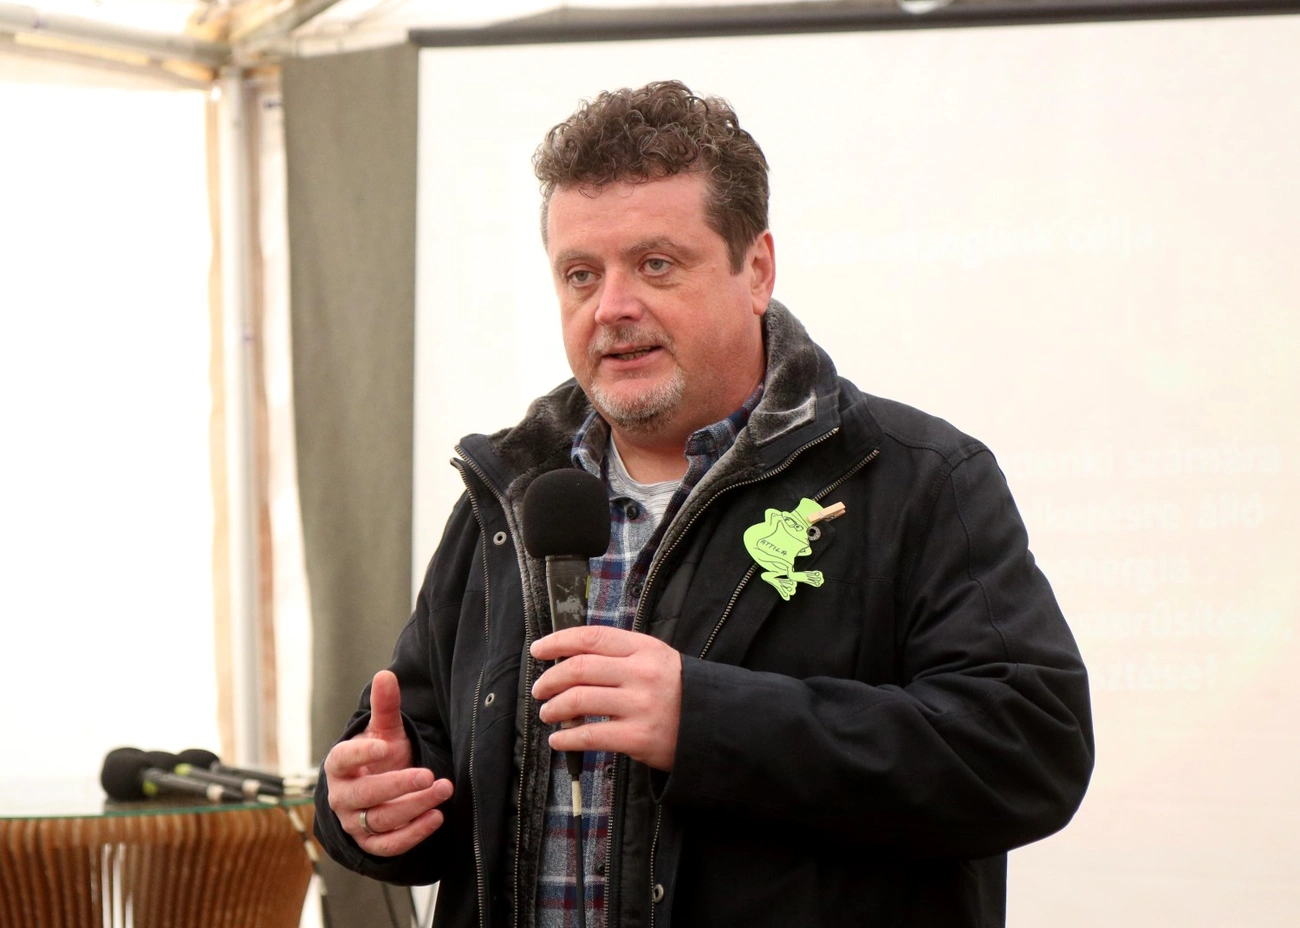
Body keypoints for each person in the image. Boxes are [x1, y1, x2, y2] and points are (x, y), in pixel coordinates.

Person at [314, 80, 1094, 928]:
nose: (612, 307)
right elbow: (424, 752)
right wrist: (368, 807)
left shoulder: (915, 478)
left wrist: (706, 720)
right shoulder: (510, 493)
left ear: (755, 270)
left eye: (655, 264)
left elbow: (1028, 750)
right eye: (581, 275)